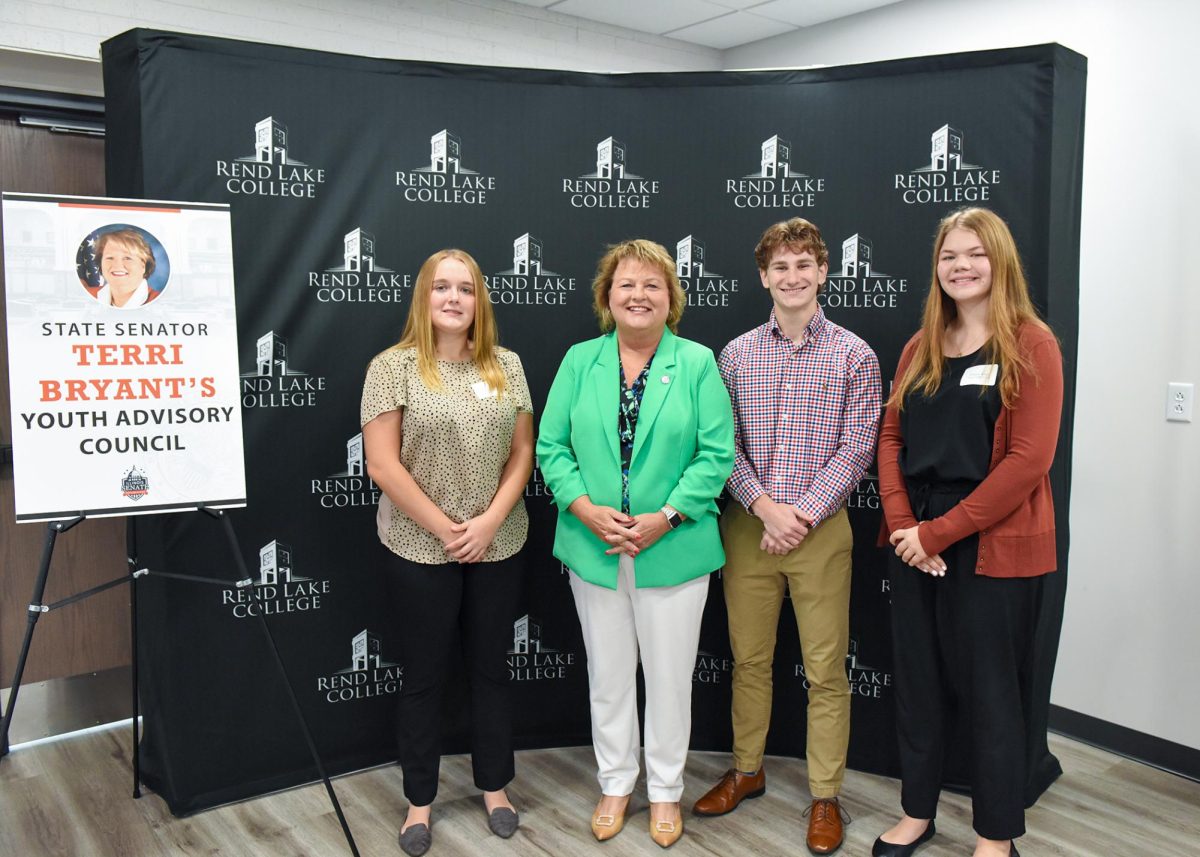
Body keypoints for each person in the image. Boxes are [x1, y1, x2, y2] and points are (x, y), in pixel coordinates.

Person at [873, 208, 1063, 857]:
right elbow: (891, 437)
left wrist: (939, 533)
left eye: (974, 254)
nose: (961, 265)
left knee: (992, 696)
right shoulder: (919, 344)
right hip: (913, 537)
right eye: (949, 255)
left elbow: (1027, 462)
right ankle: (917, 812)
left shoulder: (1031, 343)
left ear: (999, 259)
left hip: (991, 542)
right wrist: (905, 527)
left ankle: (995, 832)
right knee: (918, 685)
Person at [537, 239, 734, 849]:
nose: (639, 295)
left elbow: (716, 454)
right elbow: (552, 449)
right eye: (626, 284)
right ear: (607, 297)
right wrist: (587, 510)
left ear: (670, 298)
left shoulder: (697, 362)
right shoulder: (579, 361)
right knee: (610, 675)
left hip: (671, 549)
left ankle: (666, 792)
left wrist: (666, 518)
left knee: (672, 679)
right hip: (594, 546)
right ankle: (616, 783)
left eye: (652, 285)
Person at [695, 217, 881, 855]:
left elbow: (858, 450)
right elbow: (722, 449)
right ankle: (748, 771)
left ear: (823, 271)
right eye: (781, 267)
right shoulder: (736, 354)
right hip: (749, 530)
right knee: (749, 661)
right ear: (763, 277)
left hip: (823, 532)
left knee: (826, 671)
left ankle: (825, 796)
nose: (793, 277)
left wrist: (798, 514)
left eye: (804, 265)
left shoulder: (855, 354)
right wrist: (766, 510)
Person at [360, 249, 533, 857]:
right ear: (424, 298)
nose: (454, 298)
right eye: (441, 288)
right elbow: (382, 463)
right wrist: (445, 528)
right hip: (416, 546)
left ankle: (495, 788)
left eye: (465, 288)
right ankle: (419, 801)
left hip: (498, 542)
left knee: (490, 668)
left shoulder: (505, 365)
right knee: (425, 677)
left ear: (479, 299)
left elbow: (522, 456)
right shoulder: (394, 367)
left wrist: (486, 523)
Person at [94, 229, 160, 308]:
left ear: (143, 266)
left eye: (127, 258)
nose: (117, 265)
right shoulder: (89, 296)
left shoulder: (160, 303)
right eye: (110, 258)